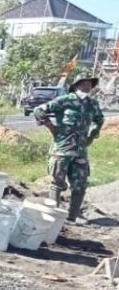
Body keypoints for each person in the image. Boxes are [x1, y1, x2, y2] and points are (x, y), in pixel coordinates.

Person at [34, 72, 104, 223]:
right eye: (85, 82)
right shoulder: (64, 101)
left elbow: (100, 119)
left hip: (80, 152)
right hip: (62, 149)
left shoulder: (92, 104)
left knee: (80, 185)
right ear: (77, 85)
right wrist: (51, 128)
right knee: (57, 183)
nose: (88, 85)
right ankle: (53, 214)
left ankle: (73, 216)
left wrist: (92, 135)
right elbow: (39, 110)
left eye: (91, 83)